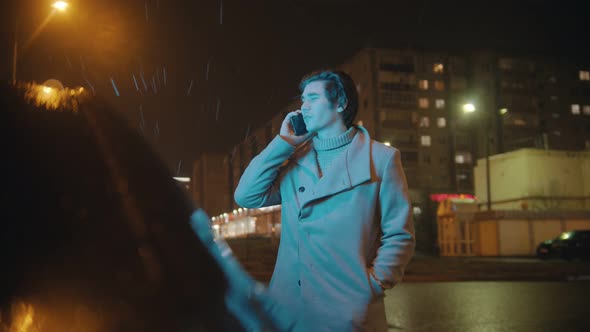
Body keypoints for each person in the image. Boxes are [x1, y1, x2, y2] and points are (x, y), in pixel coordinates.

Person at [234, 70, 416, 331]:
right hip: (289, 310)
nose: (303, 107)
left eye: (312, 98)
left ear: (340, 103)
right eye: (303, 100)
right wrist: (284, 142)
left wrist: (371, 285)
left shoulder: (381, 159)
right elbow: (246, 195)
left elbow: (399, 234)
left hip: (347, 309)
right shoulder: (295, 162)